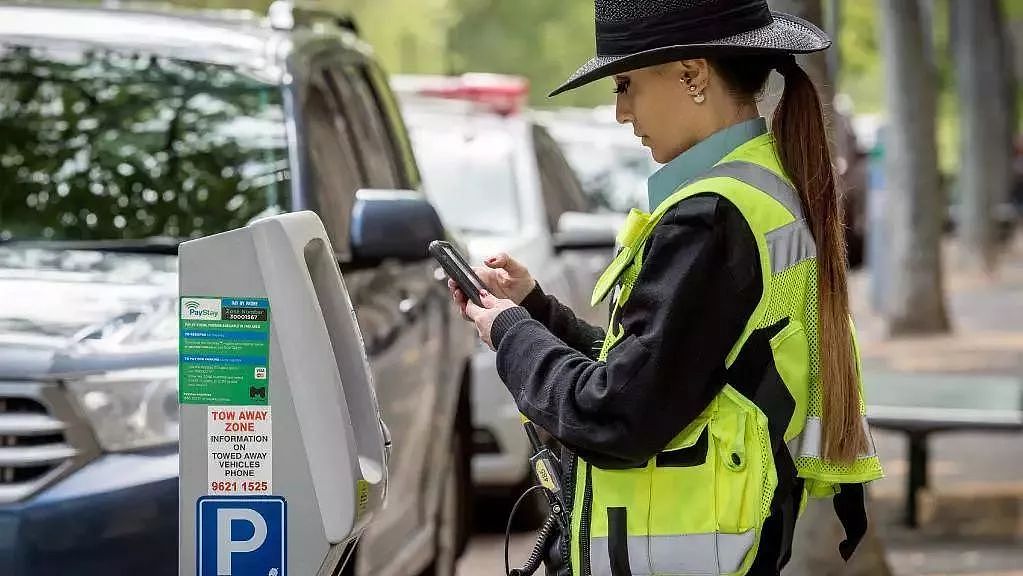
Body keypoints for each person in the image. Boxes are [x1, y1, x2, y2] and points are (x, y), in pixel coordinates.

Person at [448, 1, 884, 574]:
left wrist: (510, 334)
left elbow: (613, 415)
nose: (622, 111)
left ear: (692, 75)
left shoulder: (708, 220)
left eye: (626, 83)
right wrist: (536, 311)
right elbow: (674, 369)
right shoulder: (761, 193)